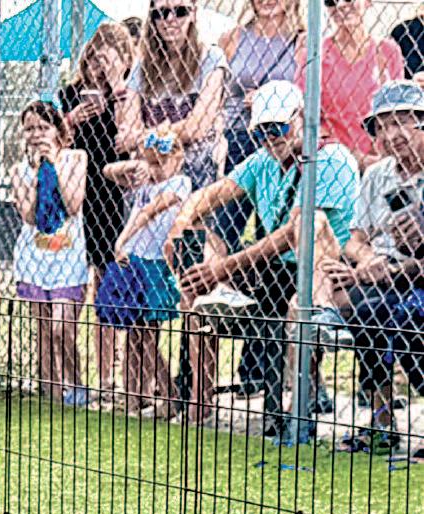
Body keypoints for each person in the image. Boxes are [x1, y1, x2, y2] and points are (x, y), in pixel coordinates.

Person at [167, 81, 359, 434]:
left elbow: (291, 234)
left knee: (307, 231)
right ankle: (199, 401)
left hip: (324, 265)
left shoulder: (332, 159)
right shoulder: (263, 161)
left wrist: (223, 268)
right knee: (196, 270)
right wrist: (180, 226)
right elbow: (209, 195)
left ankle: (298, 406)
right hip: (272, 269)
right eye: (261, 131)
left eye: (278, 127)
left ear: (301, 118)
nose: (270, 138)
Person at [324, 81, 424, 454]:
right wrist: (366, 261)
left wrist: (397, 265)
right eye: (382, 126)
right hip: (382, 273)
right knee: (358, 306)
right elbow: (353, 239)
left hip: (414, 273)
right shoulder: (377, 174)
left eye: (401, 122)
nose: (391, 135)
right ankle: (382, 421)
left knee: (399, 314)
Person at [60, 22, 136, 400]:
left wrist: (116, 97)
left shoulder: (127, 95)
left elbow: (126, 142)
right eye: (93, 59)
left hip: (113, 195)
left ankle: (109, 375)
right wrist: (73, 119)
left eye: (106, 61)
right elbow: (54, 140)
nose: (98, 68)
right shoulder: (69, 94)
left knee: (107, 285)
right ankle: (72, 373)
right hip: (78, 192)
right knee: (75, 284)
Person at [106, 130, 190, 414]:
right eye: (150, 163)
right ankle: (133, 397)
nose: (155, 170)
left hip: (155, 265)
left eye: (159, 163)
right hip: (134, 262)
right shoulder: (145, 184)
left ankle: (169, 396)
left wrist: (121, 239)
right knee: (132, 333)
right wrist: (137, 164)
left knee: (149, 337)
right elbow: (109, 171)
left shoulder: (180, 183)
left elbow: (149, 212)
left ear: (178, 159)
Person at [11, 100, 89, 404]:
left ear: (57, 130)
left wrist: (53, 165)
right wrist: (35, 173)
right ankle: (51, 393)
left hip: (68, 256)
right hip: (35, 255)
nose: (36, 135)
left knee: (62, 327)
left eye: (43, 128)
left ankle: (77, 385)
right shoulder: (19, 170)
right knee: (43, 328)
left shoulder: (75, 158)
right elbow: (29, 216)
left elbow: (73, 204)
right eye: (30, 129)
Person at [210, 0, 301, 255]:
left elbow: (305, 95)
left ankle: (266, 277)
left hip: (279, 138)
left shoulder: (302, 42)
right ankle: (217, 272)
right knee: (225, 223)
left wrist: (268, 99)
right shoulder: (232, 38)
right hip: (237, 135)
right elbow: (216, 95)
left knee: (271, 229)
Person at [117, 1, 228, 192]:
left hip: (196, 175)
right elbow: (128, 129)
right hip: (150, 174)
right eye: (161, 13)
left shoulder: (211, 58)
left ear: (193, 13)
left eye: (180, 11)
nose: (169, 19)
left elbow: (196, 128)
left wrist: (142, 137)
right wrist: (162, 135)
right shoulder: (142, 67)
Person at [296, 0, 402, 173]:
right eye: (331, 1)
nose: (340, 5)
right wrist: (349, 155)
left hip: (380, 161)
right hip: (331, 162)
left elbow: (397, 114)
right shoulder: (316, 53)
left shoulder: (387, 51)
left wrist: (381, 159)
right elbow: (303, 114)